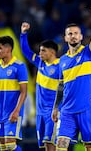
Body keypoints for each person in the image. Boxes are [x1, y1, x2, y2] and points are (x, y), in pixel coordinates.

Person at [51, 0, 91, 151]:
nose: (73, 36)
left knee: (90, 146)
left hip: (86, 106)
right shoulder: (61, 61)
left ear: (81, 36)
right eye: (70, 34)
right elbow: (61, 86)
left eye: (76, 33)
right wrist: (56, 107)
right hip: (66, 110)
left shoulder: (89, 53)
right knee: (60, 146)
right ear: (65, 38)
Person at [20, 21, 59, 151]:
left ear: (52, 52)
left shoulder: (61, 66)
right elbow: (26, 51)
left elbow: (66, 88)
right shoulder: (40, 63)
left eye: (43, 51)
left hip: (52, 112)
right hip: (40, 112)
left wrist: (59, 107)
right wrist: (23, 34)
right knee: (46, 145)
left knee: (51, 143)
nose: (40, 53)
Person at [0, 36, 28, 151]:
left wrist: (17, 110)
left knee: (10, 145)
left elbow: (24, 92)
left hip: (12, 113)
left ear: (8, 49)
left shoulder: (19, 66)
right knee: (3, 146)